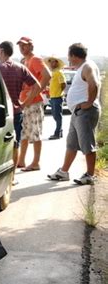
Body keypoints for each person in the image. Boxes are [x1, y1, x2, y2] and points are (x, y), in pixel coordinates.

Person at [48, 43, 101, 185]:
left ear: (73, 55)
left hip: (85, 111)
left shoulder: (87, 67)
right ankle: (63, 172)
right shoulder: (82, 67)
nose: (68, 58)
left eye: (69, 55)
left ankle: (90, 175)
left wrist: (89, 102)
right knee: (71, 144)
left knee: (87, 143)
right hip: (78, 112)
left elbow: (94, 84)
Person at [0, 41, 41, 182]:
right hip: (16, 112)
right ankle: (12, 178)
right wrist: (24, 103)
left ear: (2, 51)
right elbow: (37, 86)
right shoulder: (20, 67)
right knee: (14, 144)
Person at [17, 37, 52, 171]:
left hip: (34, 102)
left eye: (24, 45)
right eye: (20, 45)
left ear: (31, 46)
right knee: (25, 133)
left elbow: (47, 75)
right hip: (26, 102)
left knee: (35, 133)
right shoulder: (26, 60)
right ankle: (21, 160)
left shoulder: (35, 59)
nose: (22, 48)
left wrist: (37, 91)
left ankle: (36, 162)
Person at [44, 56, 67, 139]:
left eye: (53, 61)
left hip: (57, 97)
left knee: (57, 115)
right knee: (54, 115)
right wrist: (49, 92)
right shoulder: (52, 73)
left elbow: (63, 84)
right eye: (50, 61)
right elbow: (51, 85)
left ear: (57, 63)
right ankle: (59, 131)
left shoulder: (59, 72)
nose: (51, 63)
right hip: (53, 97)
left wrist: (59, 93)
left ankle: (57, 133)